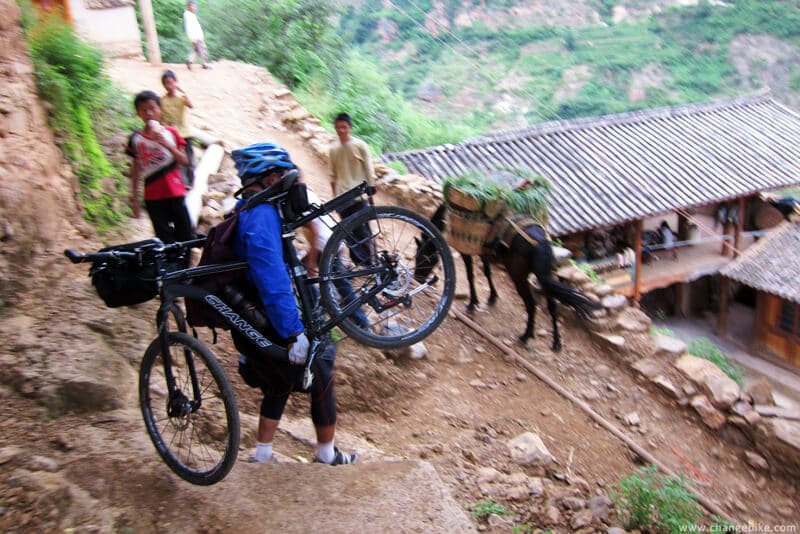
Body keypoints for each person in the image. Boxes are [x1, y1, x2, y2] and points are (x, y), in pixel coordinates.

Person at [230, 142, 357, 466]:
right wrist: (293, 332)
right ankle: (327, 454)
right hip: (273, 317)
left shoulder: (252, 208)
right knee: (322, 371)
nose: (290, 179)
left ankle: (263, 453)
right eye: (285, 173)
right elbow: (272, 280)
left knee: (279, 380)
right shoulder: (260, 217)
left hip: (261, 315)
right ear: (270, 179)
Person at [126, 90, 193, 244]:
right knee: (164, 239)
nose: (149, 113)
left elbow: (185, 161)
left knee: (186, 236)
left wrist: (168, 145)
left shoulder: (171, 133)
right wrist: (134, 199)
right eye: (144, 110)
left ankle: (186, 266)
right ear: (138, 113)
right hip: (152, 196)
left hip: (175, 192)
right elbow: (135, 169)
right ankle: (172, 267)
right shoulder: (136, 139)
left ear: (160, 109)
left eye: (152, 108)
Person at [328, 112, 375, 264]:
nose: (341, 130)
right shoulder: (333, 149)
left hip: (358, 195)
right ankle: (359, 262)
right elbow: (332, 176)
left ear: (350, 128)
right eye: (338, 127)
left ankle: (370, 262)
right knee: (349, 231)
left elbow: (368, 168)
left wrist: (371, 186)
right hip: (342, 196)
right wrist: (335, 197)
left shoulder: (360, 145)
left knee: (363, 229)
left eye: (344, 127)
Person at [160, 70, 195, 187]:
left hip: (185, 133)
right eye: (166, 83)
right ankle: (183, 183)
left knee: (189, 158)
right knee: (177, 161)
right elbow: (161, 118)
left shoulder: (181, 98)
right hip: (172, 135)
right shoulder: (162, 101)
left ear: (176, 82)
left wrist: (183, 92)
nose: (169, 86)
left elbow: (191, 106)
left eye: (171, 82)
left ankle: (191, 181)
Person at [183, 1, 209, 70]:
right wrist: (195, 38)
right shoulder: (188, 15)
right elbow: (190, 28)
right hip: (195, 36)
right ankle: (204, 64)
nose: (194, 8)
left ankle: (190, 61)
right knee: (202, 49)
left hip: (196, 36)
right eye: (192, 6)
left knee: (197, 50)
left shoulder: (190, 15)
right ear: (188, 6)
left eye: (194, 6)